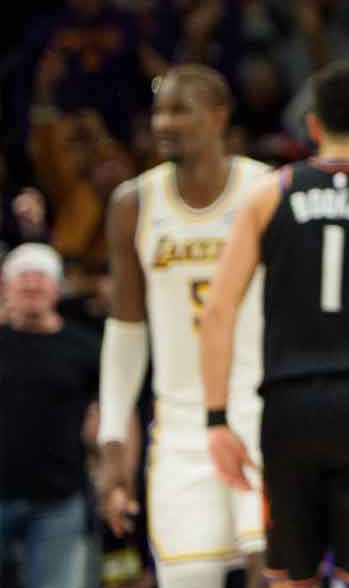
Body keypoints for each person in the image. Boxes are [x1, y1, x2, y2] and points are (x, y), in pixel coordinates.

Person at [198, 61, 349, 587]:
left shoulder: (271, 192)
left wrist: (217, 418)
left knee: (291, 577)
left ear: (312, 126)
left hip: (290, 405)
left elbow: (217, 309)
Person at [95, 65, 271, 588]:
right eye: (159, 111)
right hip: (180, 427)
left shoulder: (266, 189)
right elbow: (126, 330)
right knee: (188, 575)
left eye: (180, 110)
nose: (164, 123)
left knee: (272, 573)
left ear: (218, 117)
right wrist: (112, 441)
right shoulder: (134, 203)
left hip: (260, 408)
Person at [0, 243, 98, 588]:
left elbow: (109, 415)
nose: (31, 285)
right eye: (22, 278)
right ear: (6, 288)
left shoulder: (85, 347)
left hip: (58, 502)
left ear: (56, 288)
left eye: (39, 278)